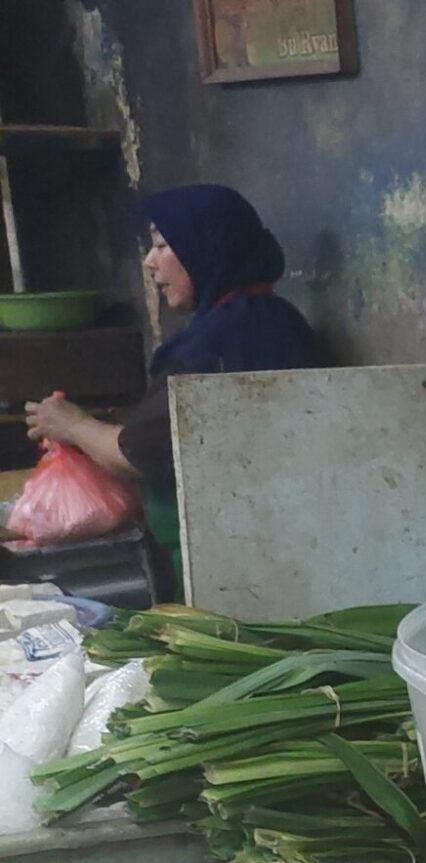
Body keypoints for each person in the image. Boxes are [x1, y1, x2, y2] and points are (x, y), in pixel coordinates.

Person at [26, 185, 323, 577]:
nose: (150, 262)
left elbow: (141, 454)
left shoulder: (219, 340)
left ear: (205, 247)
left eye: (162, 245)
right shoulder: (273, 317)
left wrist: (72, 424)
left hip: (231, 562)